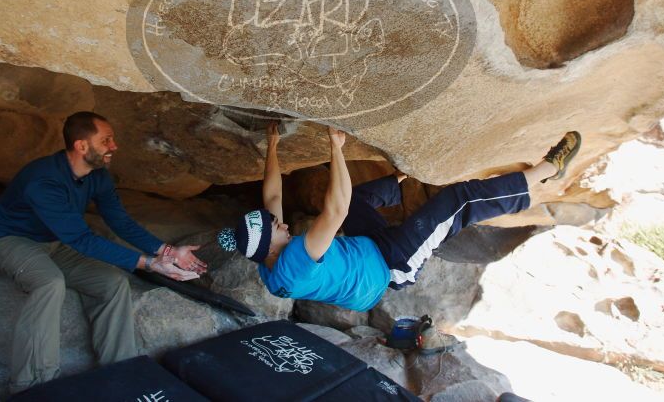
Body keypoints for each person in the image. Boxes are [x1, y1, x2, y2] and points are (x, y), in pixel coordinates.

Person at [218, 122, 581, 312]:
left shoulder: (267, 254)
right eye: (276, 227)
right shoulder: (293, 264)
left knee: (358, 199)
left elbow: (273, 195)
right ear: (271, 247)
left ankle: (398, 182)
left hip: (365, 250)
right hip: (390, 266)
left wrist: (274, 145)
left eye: (274, 221)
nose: (281, 223)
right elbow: (335, 209)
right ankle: (545, 171)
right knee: (458, 200)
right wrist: (336, 147)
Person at [0, 111, 207, 393]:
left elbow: (119, 221)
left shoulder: (97, 176)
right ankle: (34, 385)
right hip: (12, 240)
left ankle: (122, 371)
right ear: (81, 145)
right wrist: (149, 264)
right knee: (50, 283)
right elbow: (82, 239)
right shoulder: (43, 179)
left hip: (57, 243)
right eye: (106, 140)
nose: (114, 146)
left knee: (113, 283)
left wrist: (167, 252)